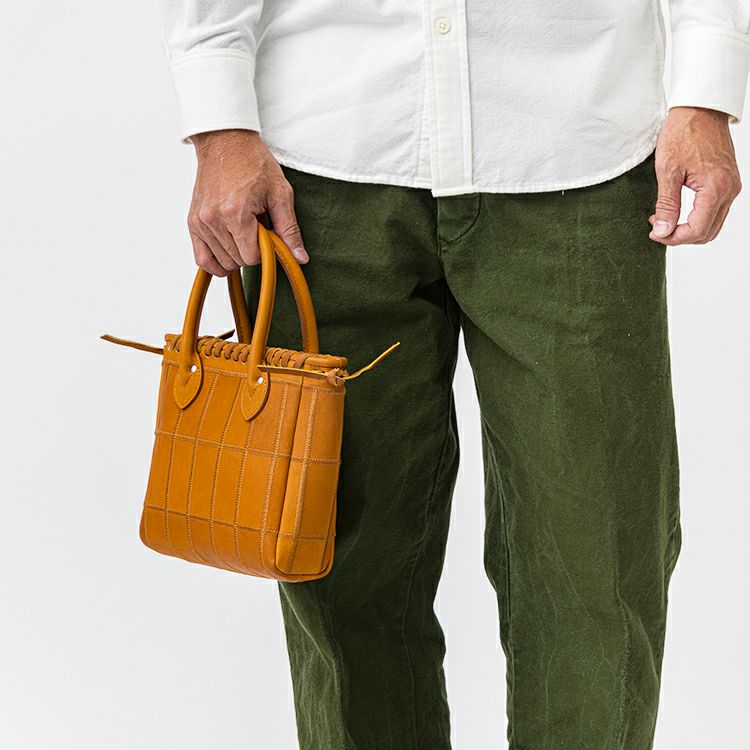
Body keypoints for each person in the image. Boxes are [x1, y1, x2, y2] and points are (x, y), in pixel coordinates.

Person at [158, 2, 749, 748]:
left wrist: (705, 92)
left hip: (576, 143)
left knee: (599, 552)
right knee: (341, 563)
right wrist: (219, 123)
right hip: (325, 159)